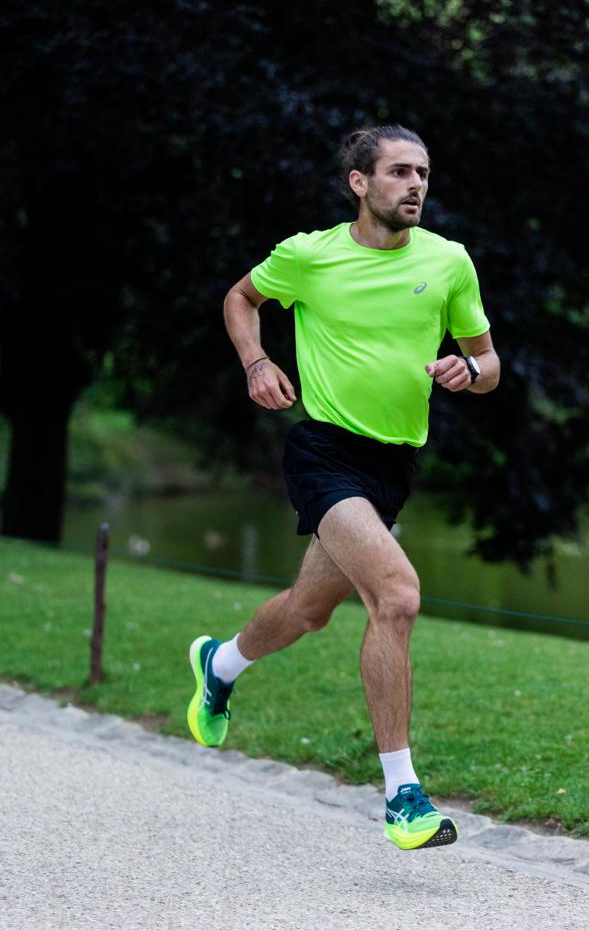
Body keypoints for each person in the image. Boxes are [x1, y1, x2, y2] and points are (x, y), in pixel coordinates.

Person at [187, 124, 500, 850]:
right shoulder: (309, 256)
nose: (415, 185)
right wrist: (255, 364)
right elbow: (241, 298)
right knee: (396, 595)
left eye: (422, 172)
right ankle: (403, 795)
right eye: (397, 172)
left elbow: (487, 363)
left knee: (307, 611)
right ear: (359, 182)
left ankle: (219, 662)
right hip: (324, 451)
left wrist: (468, 374)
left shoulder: (449, 262)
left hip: (393, 467)